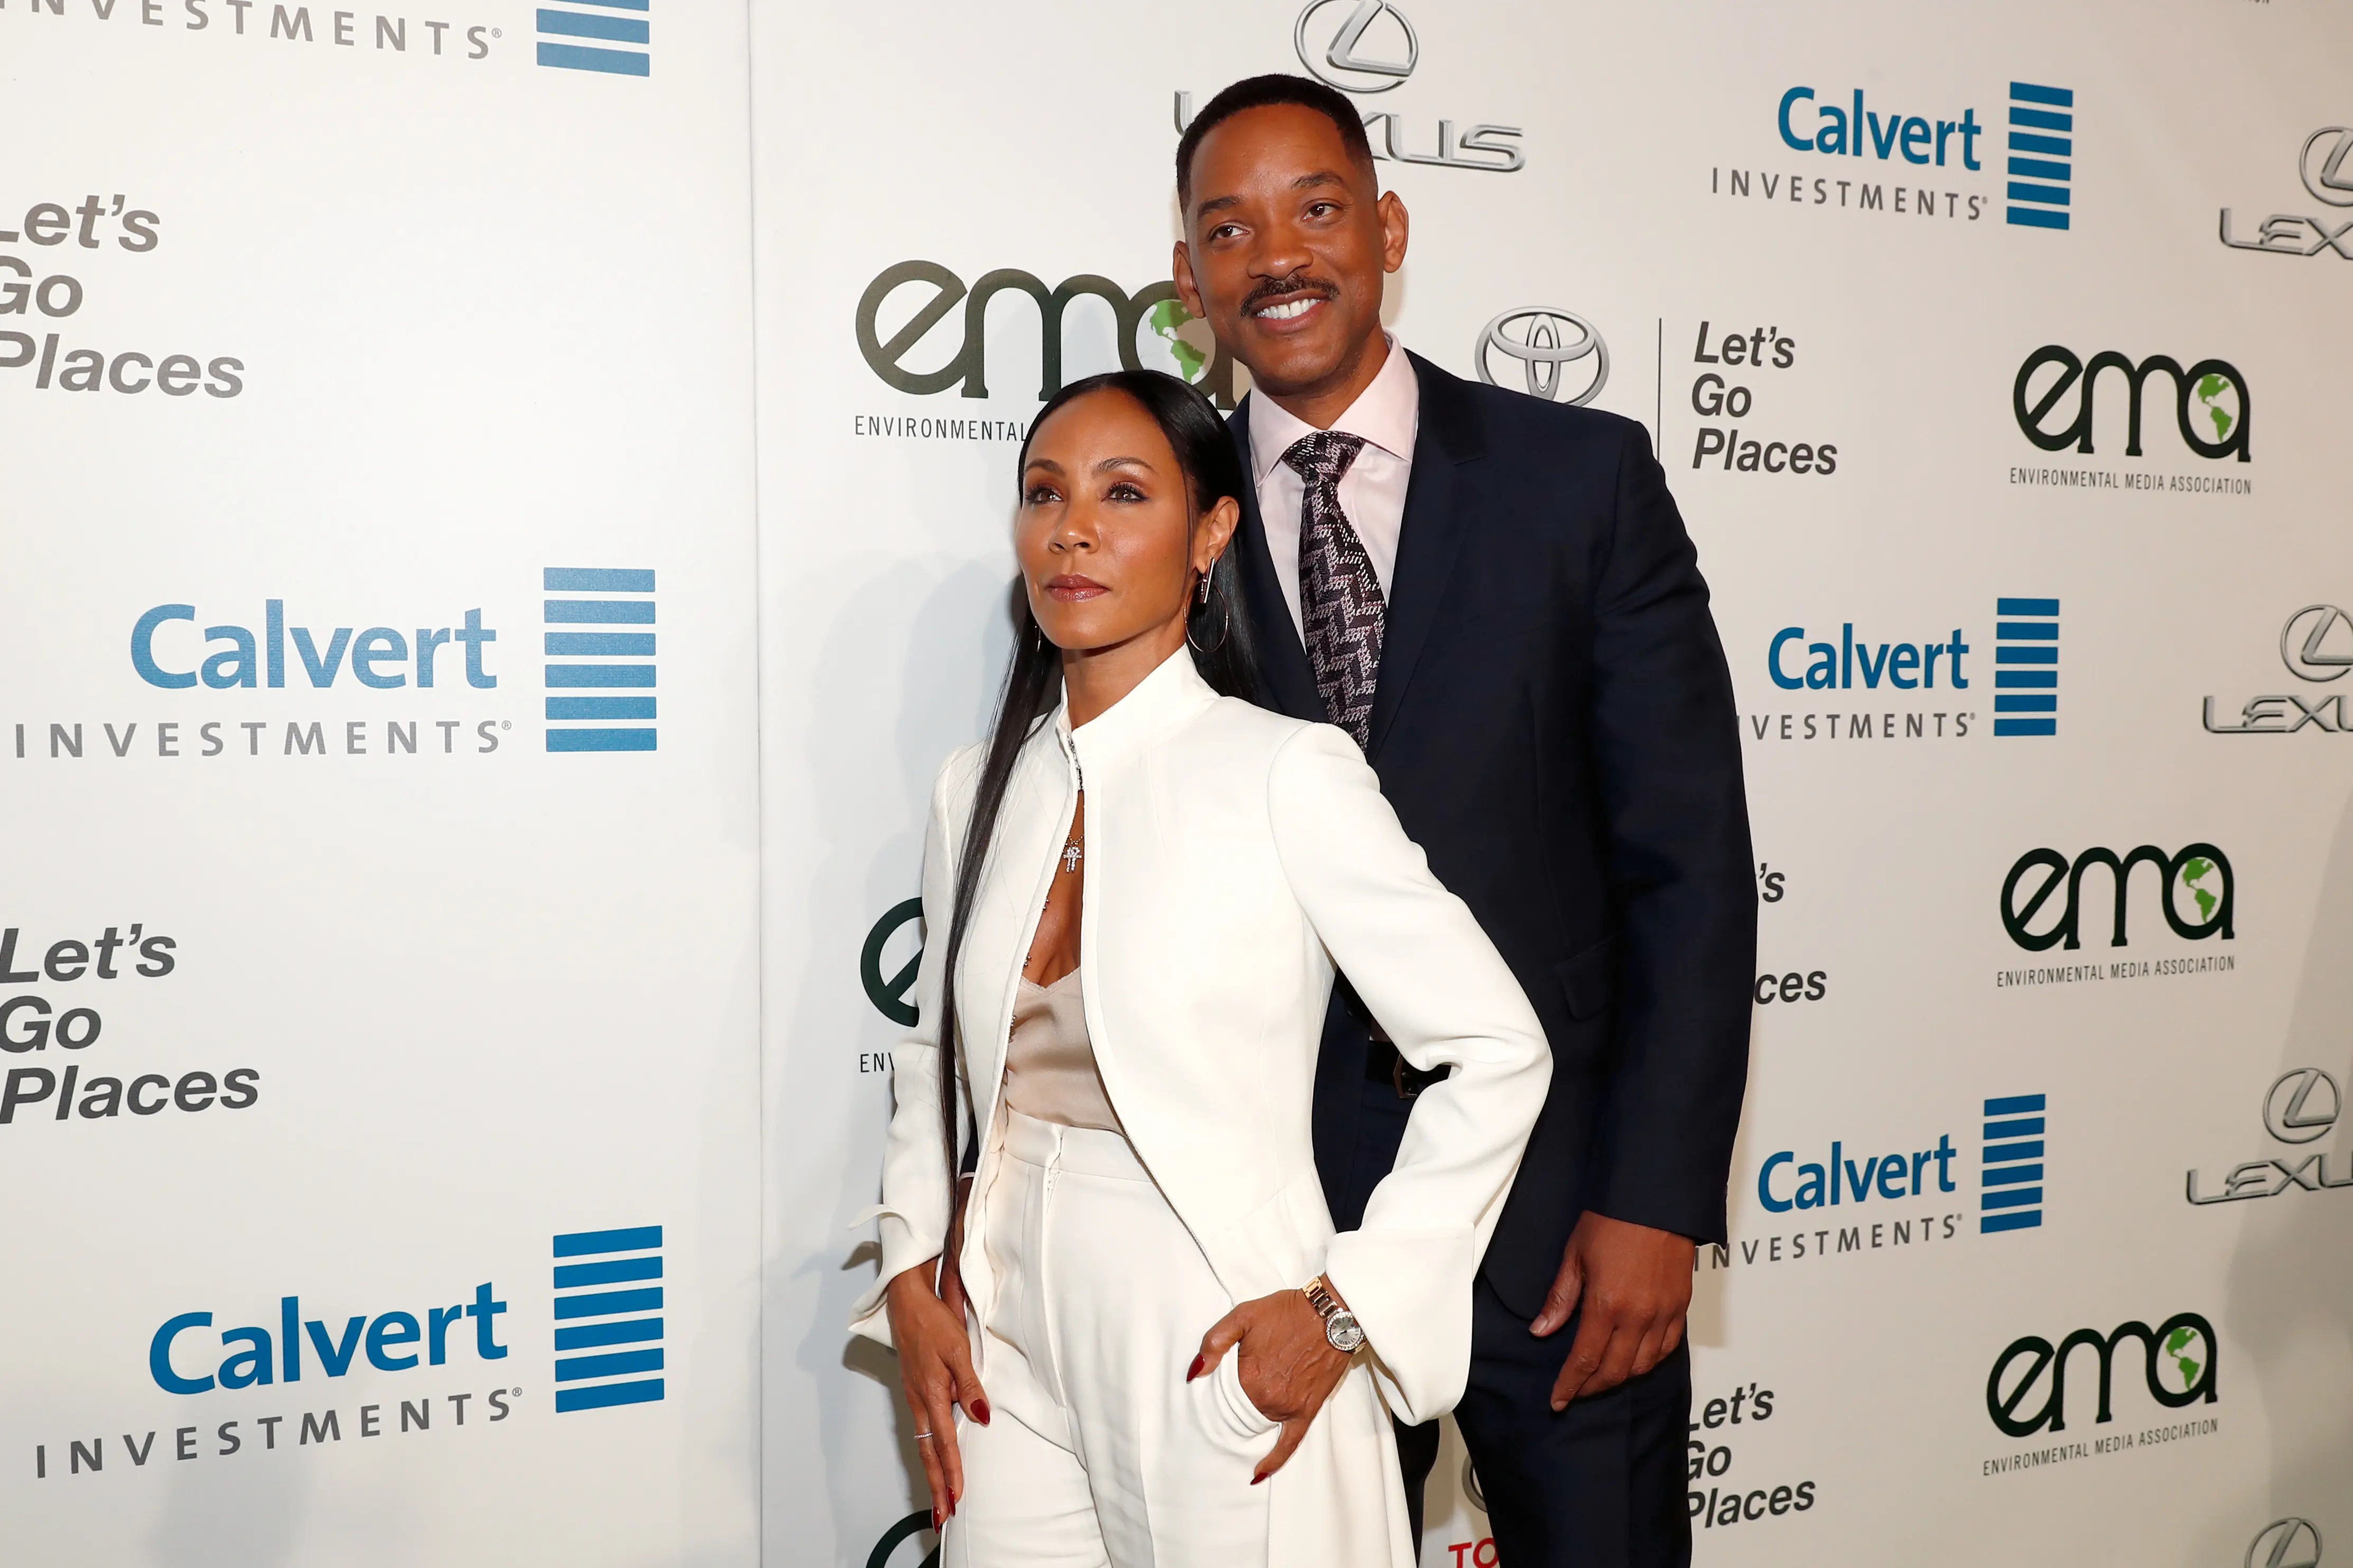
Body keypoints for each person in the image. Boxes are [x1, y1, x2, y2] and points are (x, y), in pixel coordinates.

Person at [1168, 75, 1757, 1568]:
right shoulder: (1154, 520)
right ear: (1189, 279)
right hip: (1273, 1229)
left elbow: (1687, 867)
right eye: (1228, 228)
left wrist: (1652, 1200)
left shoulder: (1582, 480)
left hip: (1559, 1223)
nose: (1277, 255)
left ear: (1389, 225)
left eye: (1316, 207)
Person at [849, 369, 1551, 1568]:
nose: (1070, 528)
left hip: (1211, 1322)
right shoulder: (976, 785)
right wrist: (915, 1265)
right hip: (1002, 1313)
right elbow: (931, 1058)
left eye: (1123, 493)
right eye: (1042, 492)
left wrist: (1348, 1310)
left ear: (1210, 532)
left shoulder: (1283, 771)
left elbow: (1498, 1048)